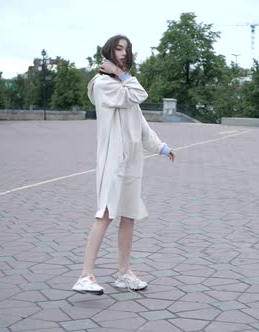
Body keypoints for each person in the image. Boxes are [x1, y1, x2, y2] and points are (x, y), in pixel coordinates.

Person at [72, 35, 175, 295]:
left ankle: (123, 273)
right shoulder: (102, 84)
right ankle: (85, 275)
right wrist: (120, 73)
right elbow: (140, 93)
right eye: (119, 49)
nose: (124, 53)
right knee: (105, 213)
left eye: (127, 50)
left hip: (132, 160)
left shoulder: (124, 86)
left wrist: (161, 147)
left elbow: (140, 124)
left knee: (128, 215)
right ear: (108, 51)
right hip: (112, 159)